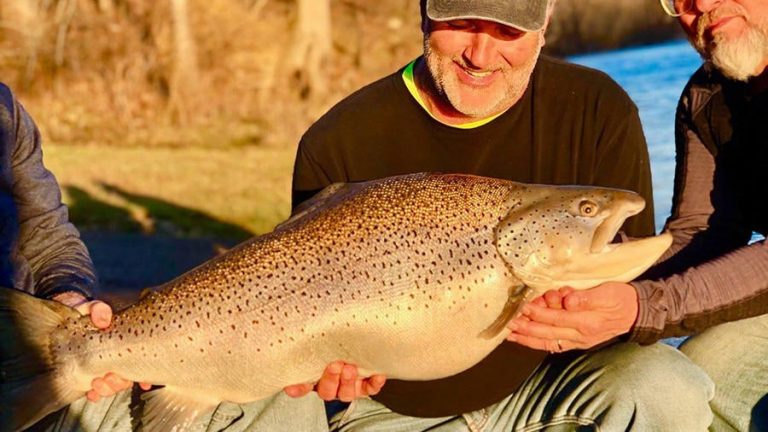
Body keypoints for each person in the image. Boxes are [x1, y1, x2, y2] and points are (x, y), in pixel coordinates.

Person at [285, 0, 715, 430]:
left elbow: (628, 295)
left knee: (667, 384)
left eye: (508, 32)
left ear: (545, 24)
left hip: (559, 386)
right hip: (393, 411)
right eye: (461, 24)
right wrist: (330, 371)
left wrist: (609, 314)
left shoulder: (598, 110)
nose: (480, 56)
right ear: (424, 14)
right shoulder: (336, 143)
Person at [507, 0, 768, 430]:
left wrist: (642, 308)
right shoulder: (707, 97)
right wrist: (578, 286)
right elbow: (702, 232)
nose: (700, 4)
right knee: (704, 368)